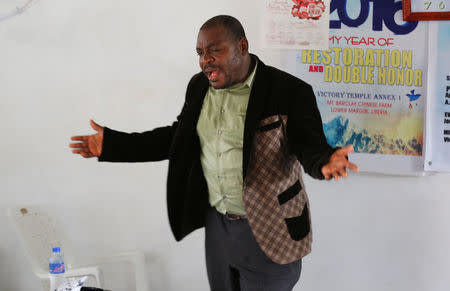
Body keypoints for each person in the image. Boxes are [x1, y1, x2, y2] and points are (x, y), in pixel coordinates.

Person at [70, 15, 358, 291]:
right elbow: (177, 138)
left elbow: (308, 145)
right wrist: (113, 145)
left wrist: (325, 162)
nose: (205, 60)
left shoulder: (288, 91)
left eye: (213, 51)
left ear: (242, 47)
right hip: (218, 225)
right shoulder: (199, 87)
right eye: (199, 53)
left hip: (271, 228)